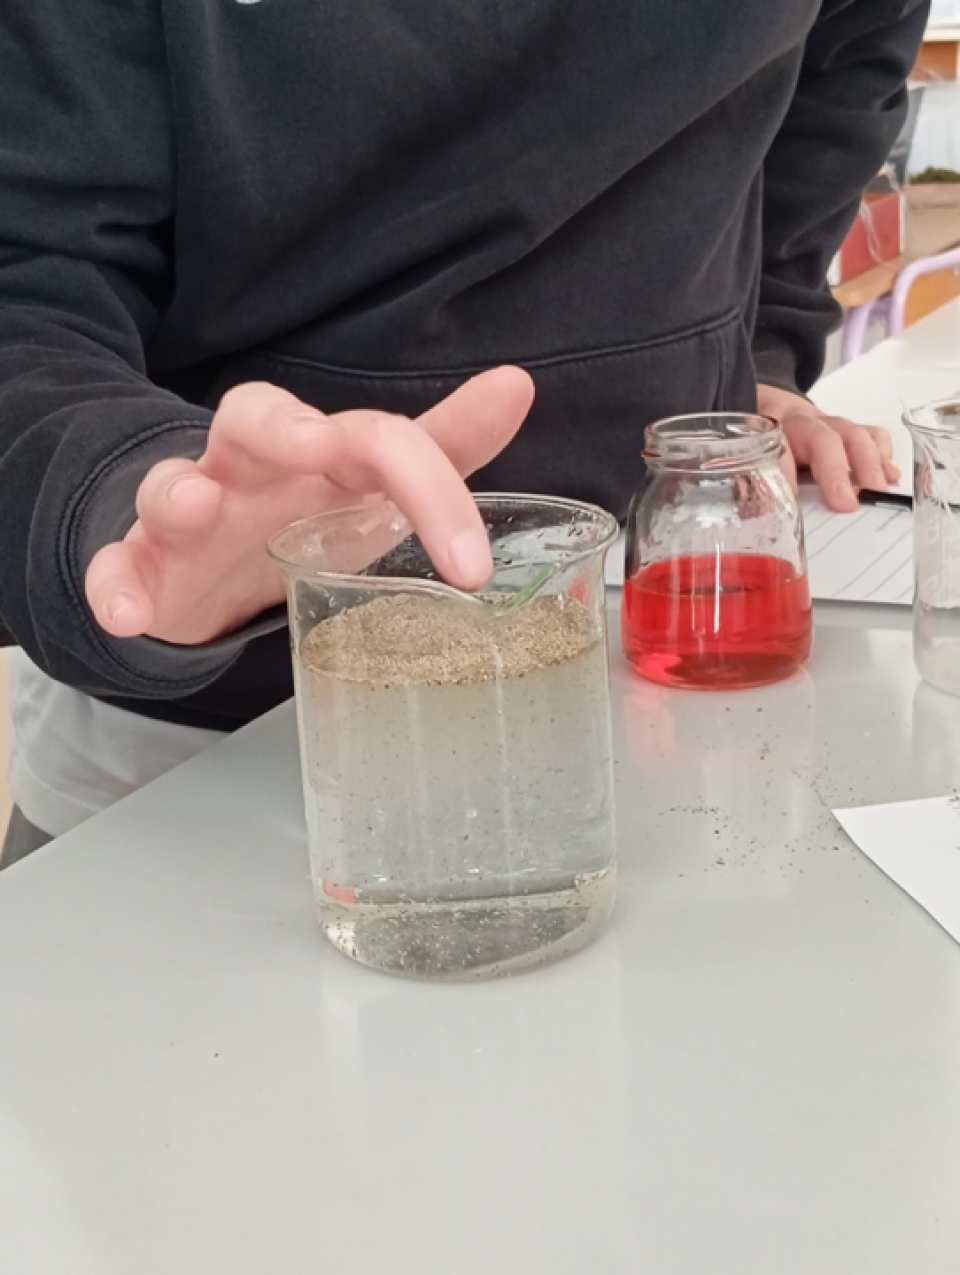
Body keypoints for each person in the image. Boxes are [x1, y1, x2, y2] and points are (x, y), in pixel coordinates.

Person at [0, 0, 928, 863]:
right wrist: (130, 500)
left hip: (681, 702)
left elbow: (855, 45)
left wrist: (762, 349)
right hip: (200, 759)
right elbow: (29, 281)